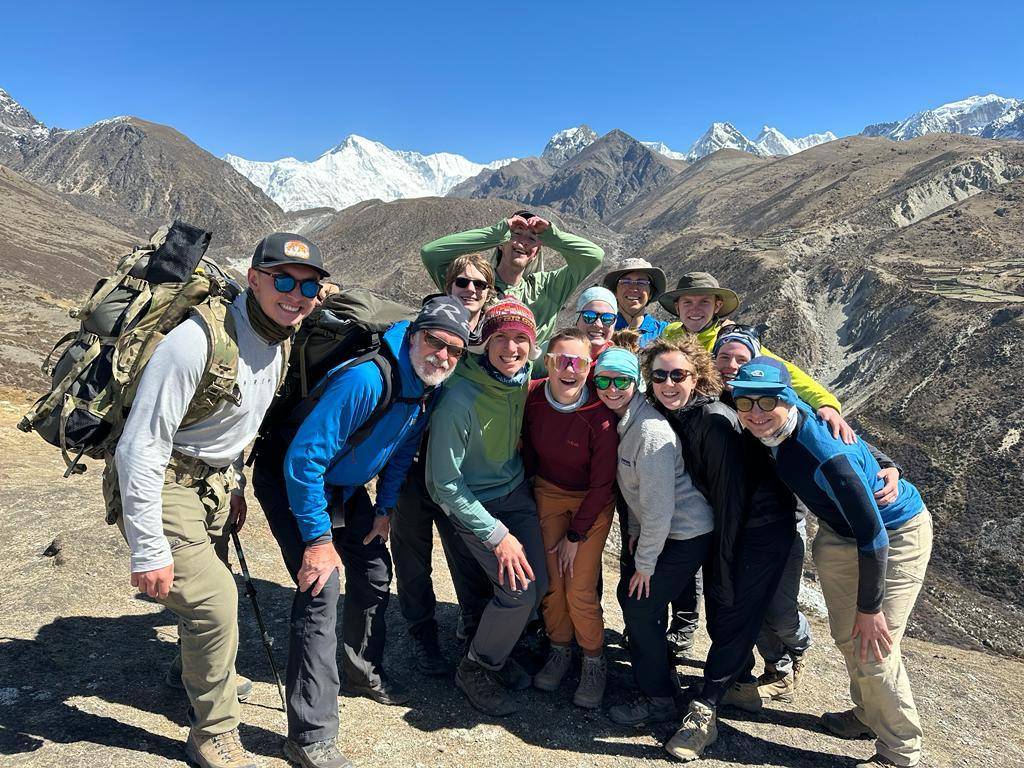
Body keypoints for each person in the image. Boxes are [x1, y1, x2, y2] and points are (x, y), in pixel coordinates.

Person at [105, 233, 326, 768]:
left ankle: (202, 682)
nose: (295, 294)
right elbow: (140, 445)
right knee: (214, 601)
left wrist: (235, 486)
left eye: (308, 285)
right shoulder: (195, 339)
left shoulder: (280, 337)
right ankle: (213, 732)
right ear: (254, 279)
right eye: (282, 280)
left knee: (204, 607)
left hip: (213, 483)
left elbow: (239, 420)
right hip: (165, 480)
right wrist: (147, 546)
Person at [252, 296, 471, 768]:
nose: (443, 355)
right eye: (434, 341)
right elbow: (303, 460)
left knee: (372, 571)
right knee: (320, 588)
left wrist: (385, 509)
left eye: (454, 350)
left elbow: (400, 450)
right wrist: (317, 540)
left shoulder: (423, 389)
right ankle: (310, 736)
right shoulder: (367, 379)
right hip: (294, 479)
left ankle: (360, 671)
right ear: (414, 336)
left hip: (344, 486)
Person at [731, 357, 932, 768]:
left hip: (894, 531)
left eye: (768, 402)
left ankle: (900, 751)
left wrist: (871, 607)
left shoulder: (822, 455)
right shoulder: (780, 426)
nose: (756, 413)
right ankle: (867, 715)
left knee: (874, 645)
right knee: (848, 636)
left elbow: (873, 534)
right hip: (840, 533)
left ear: (788, 400)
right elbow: (851, 435)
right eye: (746, 403)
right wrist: (885, 461)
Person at [711, 326, 904, 705]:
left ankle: (795, 652)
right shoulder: (715, 401)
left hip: (782, 520)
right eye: (723, 357)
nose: (732, 366)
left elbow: (842, 438)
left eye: (741, 359)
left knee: (779, 606)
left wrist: (888, 464)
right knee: (741, 601)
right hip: (731, 522)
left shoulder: (779, 406)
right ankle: (769, 669)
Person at [642, 337, 796, 762]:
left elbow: (731, 502)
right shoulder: (678, 413)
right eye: (659, 376)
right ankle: (742, 688)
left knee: (730, 612)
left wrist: (722, 568)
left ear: (697, 376)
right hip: (730, 524)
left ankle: (704, 710)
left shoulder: (712, 422)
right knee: (726, 610)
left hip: (758, 527)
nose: (669, 383)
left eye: (678, 375)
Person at [426, 298, 549, 717]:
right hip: (475, 502)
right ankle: (477, 668)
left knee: (539, 586)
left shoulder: (524, 375)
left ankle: (493, 650)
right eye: (501, 338)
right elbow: (442, 482)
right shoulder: (459, 400)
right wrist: (496, 535)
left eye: (521, 339)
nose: (511, 348)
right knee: (517, 592)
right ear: (485, 342)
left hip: (515, 492)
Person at [590, 347, 714, 727]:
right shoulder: (629, 421)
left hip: (684, 533)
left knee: (639, 604)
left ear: (635, 383)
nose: (612, 389)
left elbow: (660, 508)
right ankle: (660, 677)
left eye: (621, 381)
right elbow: (640, 495)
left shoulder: (650, 431)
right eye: (603, 381)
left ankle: (660, 698)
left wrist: (644, 564)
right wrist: (636, 532)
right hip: (667, 531)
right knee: (635, 602)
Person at [391, 255, 497, 674]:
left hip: (459, 470)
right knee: (412, 553)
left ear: (490, 293)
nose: (470, 290)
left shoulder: (489, 341)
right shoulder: (426, 330)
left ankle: (473, 629)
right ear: (447, 285)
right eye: (461, 282)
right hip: (412, 466)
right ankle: (422, 633)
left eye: (479, 285)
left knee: (465, 553)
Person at [522, 327, 618, 708]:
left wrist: (575, 536)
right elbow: (528, 448)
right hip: (547, 492)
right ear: (548, 362)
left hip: (590, 504)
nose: (570, 368)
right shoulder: (533, 398)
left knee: (578, 585)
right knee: (550, 580)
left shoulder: (599, 415)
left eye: (578, 362)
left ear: (589, 366)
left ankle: (594, 658)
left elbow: (602, 485)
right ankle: (560, 647)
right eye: (561, 359)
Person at [660, 271, 854, 441]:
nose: (695, 309)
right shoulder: (671, 332)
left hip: (723, 426)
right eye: (687, 302)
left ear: (717, 306)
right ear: (677, 307)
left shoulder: (729, 344)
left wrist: (825, 403)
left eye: (704, 302)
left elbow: (782, 370)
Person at [420, 211, 604, 345]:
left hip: (524, 391)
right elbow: (431, 253)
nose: (523, 242)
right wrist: (496, 233)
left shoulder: (548, 288)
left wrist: (551, 235)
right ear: (501, 244)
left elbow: (593, 255)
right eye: (516, 234)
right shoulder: (474, 285)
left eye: (532, 238)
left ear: (536, 252)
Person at [602, 257, 669, 347]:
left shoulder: (665, 331)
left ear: (650, 294)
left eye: (642, 282)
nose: (633, 288)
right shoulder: (602, 329)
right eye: (626, 282)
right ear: (615, 292)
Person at [574, 285, 619, 360]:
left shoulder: (621, 363)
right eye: (589, 316)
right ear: (577, 320)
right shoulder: (558, 356)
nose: (598, 325)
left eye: (607, 318)